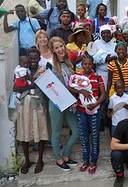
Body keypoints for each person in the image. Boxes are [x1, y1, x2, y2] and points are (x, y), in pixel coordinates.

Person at [15, 48, 48, 174]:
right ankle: (27, 160)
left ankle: (40, 160)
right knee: (24, 133)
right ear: (27, 58)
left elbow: (48, 86)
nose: (33, 60)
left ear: (39, 59)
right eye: (31, 58)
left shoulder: (43, 70)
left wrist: (26, 86)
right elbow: (15, 87)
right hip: (24, 105)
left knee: (41, 132)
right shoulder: (21, 69)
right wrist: (32, 85)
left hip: (39, 105)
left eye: (36, 58)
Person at [70, 54, 106, 174]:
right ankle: (85, 160)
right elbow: (70, 88)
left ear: (93, 65)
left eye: (89, 64)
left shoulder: (98, 77)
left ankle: (93, 162)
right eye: (85, 64)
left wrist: (96, 105)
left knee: (95, 137)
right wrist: (81, 91)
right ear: (82, 65)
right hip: (81, 111)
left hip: (94, 112)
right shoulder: (78, 77)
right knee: (84, 137)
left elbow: (103, 95)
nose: (87, 66)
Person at [48, 37, 79, 171]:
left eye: (61, 46)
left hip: (68, 101)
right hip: (55, 103)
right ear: (53, 50)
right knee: (56, 133)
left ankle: (66, 155)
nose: (60, 49)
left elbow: (71, 83)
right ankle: (58, 159)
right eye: (56, 47)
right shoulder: (50, 65)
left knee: (76, 130)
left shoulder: (68, 63)